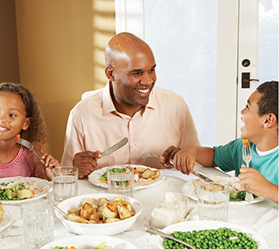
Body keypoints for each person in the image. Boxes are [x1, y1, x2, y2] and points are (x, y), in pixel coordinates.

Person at [61, 32, 200, 178]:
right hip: (107, 200)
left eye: (151, 70)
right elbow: (66, 179)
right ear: (111, 74)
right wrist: (73, 172)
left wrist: (184, 161)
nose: (147, 81)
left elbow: (197, 168)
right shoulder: (82, 114)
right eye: (137, 73)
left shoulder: (176, 106)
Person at [163, 81, 278, 204]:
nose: (242, 112)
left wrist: (267, 188)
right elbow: (213, 157)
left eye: (247, 108)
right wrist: (192, 151)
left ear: (268, 120)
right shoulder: (243, 146)